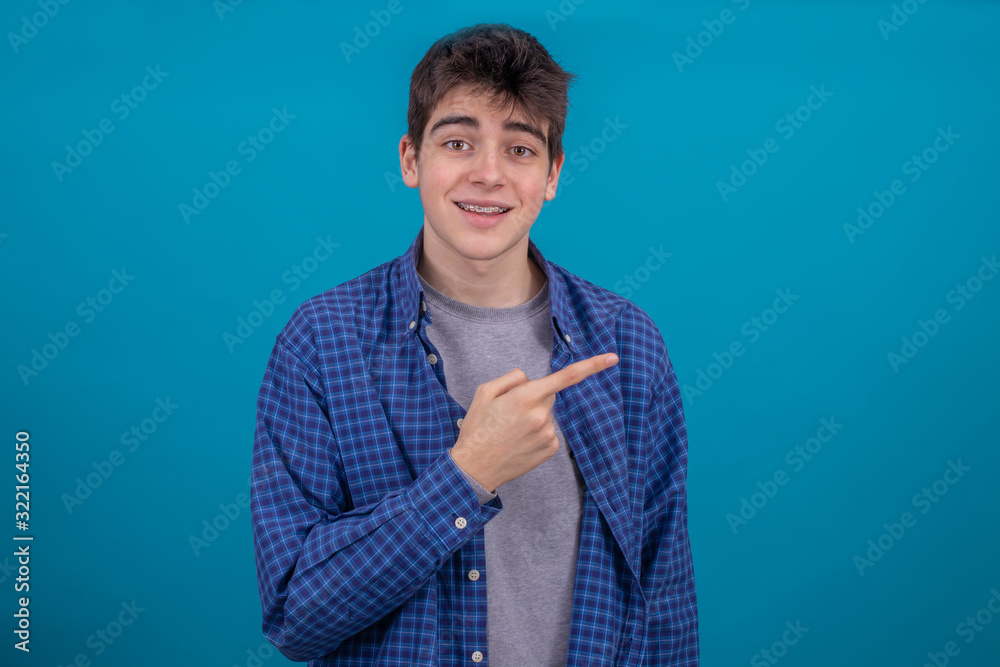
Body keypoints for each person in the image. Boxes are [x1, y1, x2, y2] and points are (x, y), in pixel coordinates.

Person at [251, 23, 698, 666]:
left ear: (552, 173)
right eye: (459, 142)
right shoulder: (321, 343)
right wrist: (467, 476)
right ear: (411, 159)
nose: (488, 174)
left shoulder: (628, 345)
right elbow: (296, 615)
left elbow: (666, 605)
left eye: (520, 149)